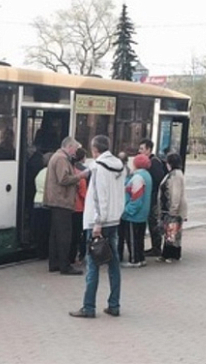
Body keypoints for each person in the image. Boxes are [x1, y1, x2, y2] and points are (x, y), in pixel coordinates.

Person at [69, 135, 125, 318]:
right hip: (114, 220)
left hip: (97, 222)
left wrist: (98, 222)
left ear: (94, 150)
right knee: (114, 264)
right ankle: (114, 304)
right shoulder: (119, 165)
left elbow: (100, 196)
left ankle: (89, 307)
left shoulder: (100, 168)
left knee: (92, 265)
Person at [43, 137, 90, 275]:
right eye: (75, 149)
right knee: (64, 234)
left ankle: (54, 263)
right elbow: (63, 179)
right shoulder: (62, 159)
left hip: (56, 200)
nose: (76, 152)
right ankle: (65, 265)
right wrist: (80, 176)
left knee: (55, 234)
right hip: (62, 200)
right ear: (69, 147)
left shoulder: (56, 157)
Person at [120, 154, 153, 268]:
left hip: (133, 215)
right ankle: (141, 257)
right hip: (143, 214)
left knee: (132, 238)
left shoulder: (138, 177)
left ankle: (134, 260)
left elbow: (136, 198)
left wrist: (127, 210)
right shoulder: (147, 175)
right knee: (140, 238)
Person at [156, 152, 188, 263]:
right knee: (170, 232)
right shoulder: (173, 173)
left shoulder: (175, 175)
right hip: (168, 208)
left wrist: (173, 210)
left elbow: (176, 194)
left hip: (173, 209)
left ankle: (172, 255)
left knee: (172, 233)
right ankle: (166, 254)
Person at [138, 138, 166, 257]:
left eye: (142, 149)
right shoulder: (151, 161)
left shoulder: (153, 162)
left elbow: (159, 179)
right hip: (150, 197)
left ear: (149, 150)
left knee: (153, 222)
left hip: (154, 199)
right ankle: (155, 247)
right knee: (151, 221)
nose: (139, 151)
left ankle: (156, 247)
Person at [32, 152, 53, 259]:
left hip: (37, 201)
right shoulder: (51, 173)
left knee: (40, 229)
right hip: (46, 202)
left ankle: (39, 252)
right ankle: (45, 252)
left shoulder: (40, 172)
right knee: (47, 230)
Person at [70, 147, 88, 265]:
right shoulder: (83, 174)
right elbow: (83, 193)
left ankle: (69, 256)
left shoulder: (70, 170)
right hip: (79, 207)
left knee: (70, 233)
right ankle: (78, 256)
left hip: (69, 207)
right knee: (79, 234)